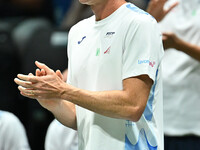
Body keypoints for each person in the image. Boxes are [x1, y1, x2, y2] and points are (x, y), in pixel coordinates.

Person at [14, 0, 164, 149]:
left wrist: (64, 90)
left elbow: (133, 106)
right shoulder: (77, 32)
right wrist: (56, 103)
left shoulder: (140, 23)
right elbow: (78, 117)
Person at [147, 0, 200, 150]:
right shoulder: (162, 4)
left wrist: (178, 45)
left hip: (191, 122)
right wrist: (150, 19)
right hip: (155, 118)